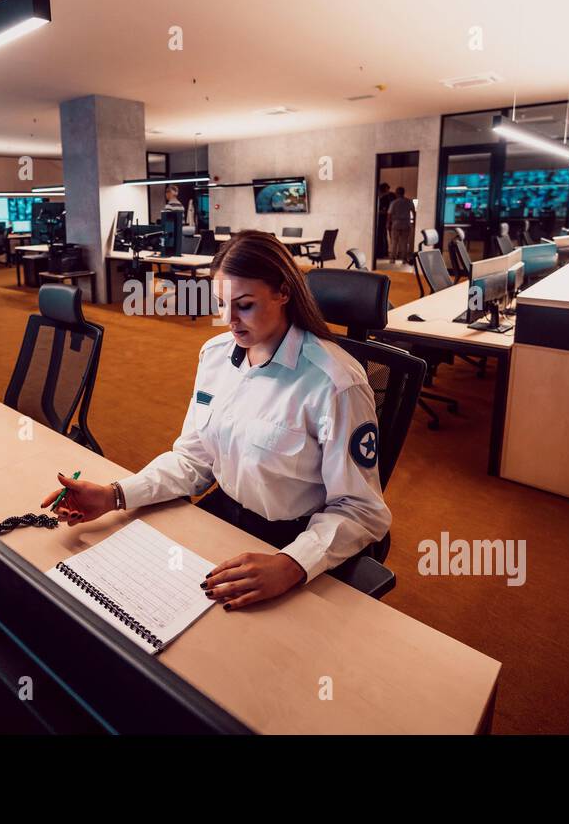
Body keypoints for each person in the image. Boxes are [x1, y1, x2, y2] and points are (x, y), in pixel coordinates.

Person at [40, 231, 390, 610]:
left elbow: (361, 510)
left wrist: (292, 564)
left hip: (293, 537)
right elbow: (193, 459)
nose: (228, 321)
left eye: (245, 305)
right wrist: (115, 494)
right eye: (221, 303)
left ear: (283, 292)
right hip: (223, 515)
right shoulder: (215, 355)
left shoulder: (336, 383)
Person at [388, 186, 416, 264]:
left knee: (394, 242)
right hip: (406, 223)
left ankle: (392, 258)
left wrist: (388, 223)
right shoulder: (409, 201)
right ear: (403, 193)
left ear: (396, 193)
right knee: (404, 242)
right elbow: (413, 212)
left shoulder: (394, 202)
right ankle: (404, 259)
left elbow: (389, 214)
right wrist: (414, 221)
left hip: (396, 223)